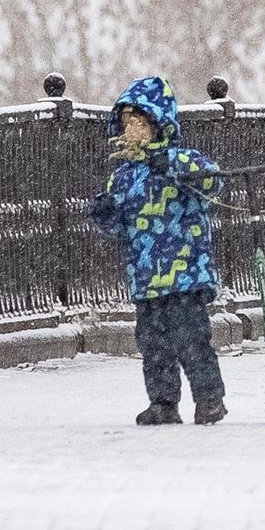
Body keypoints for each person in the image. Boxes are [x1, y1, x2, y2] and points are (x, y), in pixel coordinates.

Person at [87, 75, 229, 425]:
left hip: (185, 274)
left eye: (139, 122)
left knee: (192, 339)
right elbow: (120, 225)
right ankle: (163, 401)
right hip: (146, 277)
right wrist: (105, 214)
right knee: (153, 344)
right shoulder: (123, 176)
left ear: (158, 123)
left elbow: (213, 181)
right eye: (126, 123)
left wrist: (173, 165)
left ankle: (209, 397)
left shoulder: (182, 160)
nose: (131, 129)